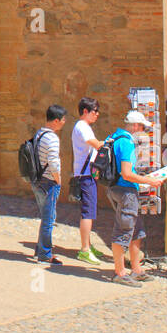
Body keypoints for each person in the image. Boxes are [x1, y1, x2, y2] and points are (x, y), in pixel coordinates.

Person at [106, 110, 163, 286]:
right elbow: (127, 173)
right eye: (141, 127)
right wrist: (149, 181)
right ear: (136, 125)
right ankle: (120, 272)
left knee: (136, 229)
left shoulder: (114, 138)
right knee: (123, 230)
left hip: (116, 188)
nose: (142, 130)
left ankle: (136, 268)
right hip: (126, 191)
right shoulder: (127, 143)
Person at [31, 104, 67, 265]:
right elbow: (53, 162)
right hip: (49, 182)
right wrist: (58, 179)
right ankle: (45, 254)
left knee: (46, 215)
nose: (64, 122)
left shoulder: (39, 134)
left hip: (37, 180)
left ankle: (40, 249)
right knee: (49, 218)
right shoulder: (52, 138)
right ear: (56, 120)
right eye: (63, 119)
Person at [72, 96, 105, 265]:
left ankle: (88, 245)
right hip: (86, 175)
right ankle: (84, 250)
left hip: (87, 173)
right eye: (94, 111)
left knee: (90, 211)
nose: (97, 115)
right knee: (88, 213)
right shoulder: (82, 127)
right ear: (85, 111)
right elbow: (96, 144)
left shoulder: (83, 127)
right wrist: (107, 143)